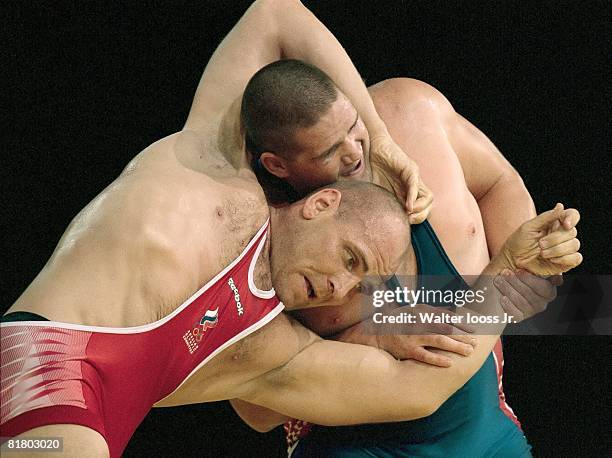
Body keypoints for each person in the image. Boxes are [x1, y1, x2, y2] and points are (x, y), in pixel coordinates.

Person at [178, 1, 579, 455]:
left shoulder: (409, 113)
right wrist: (373, 335)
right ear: (280, 166)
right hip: (354, 440)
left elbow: (498, 182)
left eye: (356, 129)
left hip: (482, 427)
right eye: (330, 150)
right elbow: (257, 408)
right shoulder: (263, 235)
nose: (353, 153)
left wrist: (528, 269)